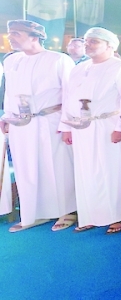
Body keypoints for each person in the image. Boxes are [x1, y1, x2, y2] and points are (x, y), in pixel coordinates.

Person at [2, 20, 76, 232]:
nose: (10, 37)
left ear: (34, 37)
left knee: (57, 166)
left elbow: (70, 94)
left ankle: (67, 211)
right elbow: (10, 92)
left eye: (16, 34)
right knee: (26, 168)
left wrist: (67, 125)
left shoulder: (59, 59)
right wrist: (7, 117)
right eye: (10, 33)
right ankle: (34, 213)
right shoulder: (11, 60)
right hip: (21, 123)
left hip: (51, 120)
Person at [58, 27, 121, 234]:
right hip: (82, 128)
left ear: (110, 45)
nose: (88, 45)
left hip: (109, 125)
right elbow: (68, 99)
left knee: (112, 171)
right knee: (86, 172)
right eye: (87, 41)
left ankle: (119, 215)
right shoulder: (79, 68)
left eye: (94, 41)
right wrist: (66, 127)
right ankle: (91, 215)